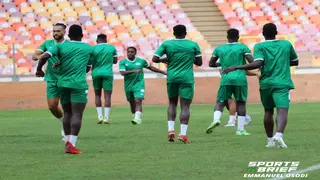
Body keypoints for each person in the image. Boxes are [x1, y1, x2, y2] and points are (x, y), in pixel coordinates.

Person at [223, 23, 299, 148]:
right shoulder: (286, 44)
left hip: (266, 83)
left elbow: (257, 63)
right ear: (276, 32)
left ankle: (270, 141)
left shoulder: (259, 46)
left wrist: (236, 67)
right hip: (282, 83)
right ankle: (278, 135)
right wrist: (281, 63)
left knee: (268, 111)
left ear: (263, 34)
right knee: (282, 110)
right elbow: (295, 61)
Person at [36, 24, 93, 154]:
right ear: (82, 35)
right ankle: (71, 144)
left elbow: (45, 56)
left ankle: (67, 142)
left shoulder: (59, 46)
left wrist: (39, 69)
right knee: (77, 114)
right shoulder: (88, 49)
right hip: (78, 85)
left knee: (67, 113)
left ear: (68, 35)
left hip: (62, 84)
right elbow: (87, 68)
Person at [152, 24, 203, 144]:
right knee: (185, 106)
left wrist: (165, 59)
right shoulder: (193, 45)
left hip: (172, 77)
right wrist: (189, 57)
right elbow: (199, 62)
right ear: (186, 33)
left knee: (172, 103)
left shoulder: (167, 44)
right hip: (186, 78)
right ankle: (183, 134)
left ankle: (170, 130)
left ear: (173, 33)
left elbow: (154, 59)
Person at [205, 28, 253, 136]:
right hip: (240, 79)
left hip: (225, 78)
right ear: (238, 37)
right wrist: (238, 65)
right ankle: (240, 130)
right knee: (240, 103)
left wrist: (223, 64)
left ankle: (216, 119)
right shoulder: (243, 48)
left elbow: (211, 64)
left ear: (227, 37)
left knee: (220, 101)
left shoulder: (219, 49)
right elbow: (252, 62)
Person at [32, 23, 66, 140]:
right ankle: (64, 122)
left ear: (64, 32)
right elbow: (35, 56)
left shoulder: (68, 45)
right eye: (54, 31)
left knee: (67, 106)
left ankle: (68, 130)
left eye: (58, 31)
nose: (55, 33)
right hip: (51, 79)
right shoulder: (48, 43)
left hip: (66, 78)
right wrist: (43, 56)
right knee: (52, 106)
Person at [119, 47, 166, 125]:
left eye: (132, 52)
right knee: (132, 102)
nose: (130, 53)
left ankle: (137, 119)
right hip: (128, 85)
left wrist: (162, 72)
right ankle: (135, 116)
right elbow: (122, 73)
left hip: (139, 84)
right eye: (128, 52)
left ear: (135, 53)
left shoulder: (141, 61)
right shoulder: (123, 62)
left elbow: (150, 67)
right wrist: (134, 71)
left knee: (138, 100)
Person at [90, 34, 118, 124]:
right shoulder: (112, 48)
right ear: (106, 40)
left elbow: (89, 61)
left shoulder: (92, 49)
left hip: (95, 73)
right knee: (107, 96)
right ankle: (106, 118)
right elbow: (115, 61)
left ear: (97, 40)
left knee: (97, 95)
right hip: (107, 73)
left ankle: (100, 117)